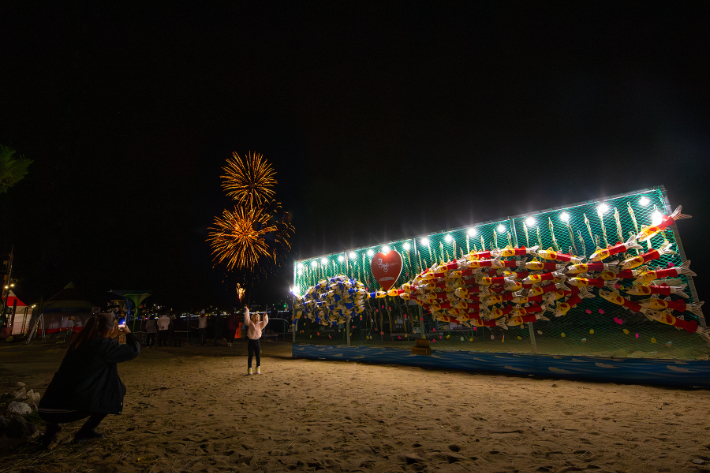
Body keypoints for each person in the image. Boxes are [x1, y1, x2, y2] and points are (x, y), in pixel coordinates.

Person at [38, 313, 140, 447]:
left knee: (69, 383)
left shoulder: (79, 341)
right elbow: (134, 350)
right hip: (69, 411)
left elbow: (98, 349)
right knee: (116, 390)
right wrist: (128, 333)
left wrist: (109, 338)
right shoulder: (104, 347)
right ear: (109, 330)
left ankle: (51, 432)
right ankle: (86, 431)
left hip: (46, 409)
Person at [243, 307, 268, 375]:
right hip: (251, 341)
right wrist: (247, 311)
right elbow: (246, 318)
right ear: (253, 317)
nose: (257, 318)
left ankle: (258, 368)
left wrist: (265, 316)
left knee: (258, 355)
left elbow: (265, 322)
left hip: (257, 341)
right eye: (255, 317)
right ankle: (249, 369)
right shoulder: (249, 323)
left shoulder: (260, 324)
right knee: (250, 356)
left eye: (257, 317)